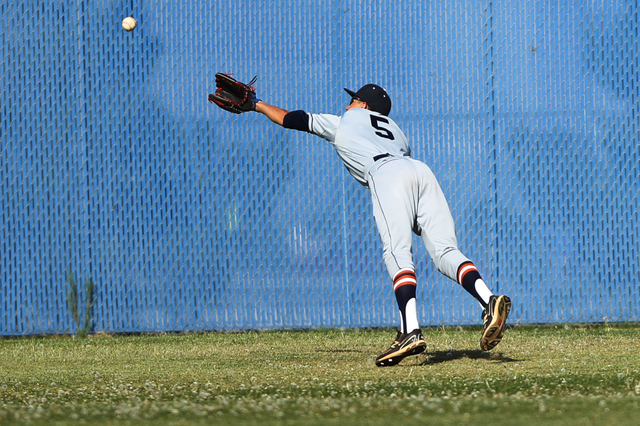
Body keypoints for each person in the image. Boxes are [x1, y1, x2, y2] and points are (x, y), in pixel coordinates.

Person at [252, 83, 511, 366]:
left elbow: (292, 119)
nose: (349, 103)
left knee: (397, 253)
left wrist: (257, 104)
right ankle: (487, 300)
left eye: (353, 99)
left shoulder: (344, 122)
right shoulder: (396, 131)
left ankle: (410, 330)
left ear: (363, 105)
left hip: (387, 173)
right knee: (445, 250)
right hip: (419, 170)